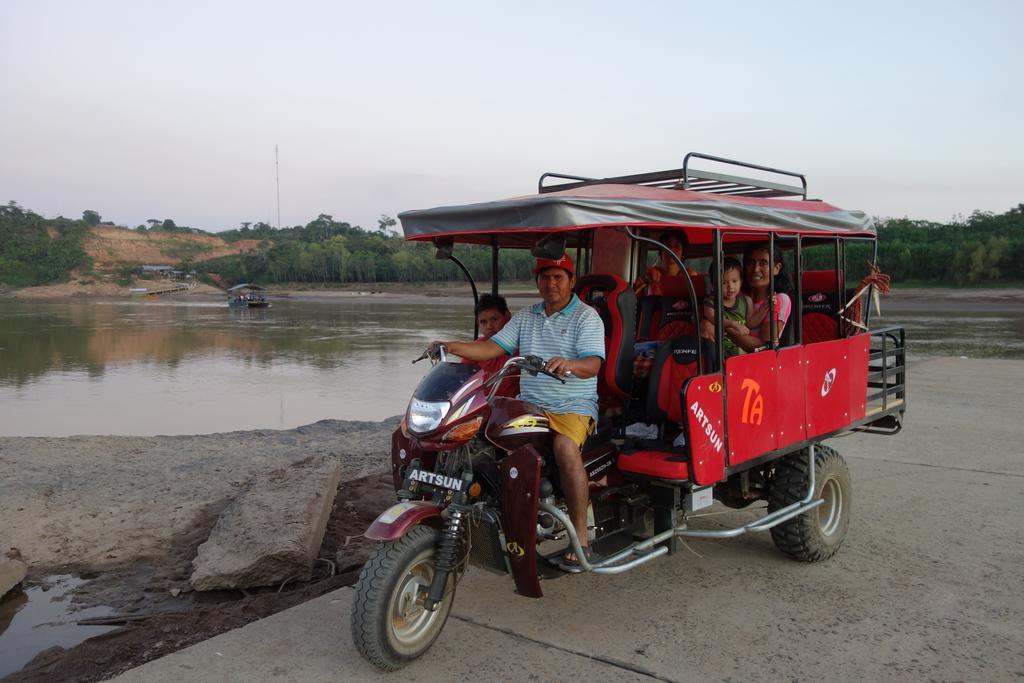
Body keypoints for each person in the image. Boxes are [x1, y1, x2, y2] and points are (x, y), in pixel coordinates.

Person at [440, 253, 605, 572]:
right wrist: (452, 346)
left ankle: (581, 538)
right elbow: (491, 348)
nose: (551, 283)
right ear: (537, 282)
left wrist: (569, 364)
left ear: (571, 281)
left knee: (565, 449)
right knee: (482, 434)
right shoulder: (527, 317)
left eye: (558, 277)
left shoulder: (587, 317)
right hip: (530, 404)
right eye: (545, 277)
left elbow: (593, 364)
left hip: (571, 405)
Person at [726, 245, 793, 352]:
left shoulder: (779, 300)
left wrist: (724, 327)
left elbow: (763, 347)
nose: (755, 269)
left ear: (776, 268)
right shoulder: (734, 294)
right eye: (750, 263)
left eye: (763, 263)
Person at [461, 294, 518, 396]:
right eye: (483, 322)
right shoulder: (475, 348)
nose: (489, 326)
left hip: (511, 406)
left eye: (494, 319)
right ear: (477, 323)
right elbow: (461, 378)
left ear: (507, 317)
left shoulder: (520, 346)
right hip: (480, 405)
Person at [700, 257, 752, 358]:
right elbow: (713, 318)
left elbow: (751, 322)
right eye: (723, 283)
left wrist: (765, 308)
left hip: (740, 345)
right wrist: (733, 324)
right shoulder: (711, 301)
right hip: (720, 347)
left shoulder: (745, 301)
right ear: (714, 284)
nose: (730, 286)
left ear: (741, 281)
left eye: (734, 281)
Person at [632, 229, 699, 297]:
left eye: (677, 246)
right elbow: (633, 299)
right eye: (667, 245)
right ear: (661, 250)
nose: (671, 249)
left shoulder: (689, 277)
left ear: (683, 252)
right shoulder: (648, 274)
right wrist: (644, 277)